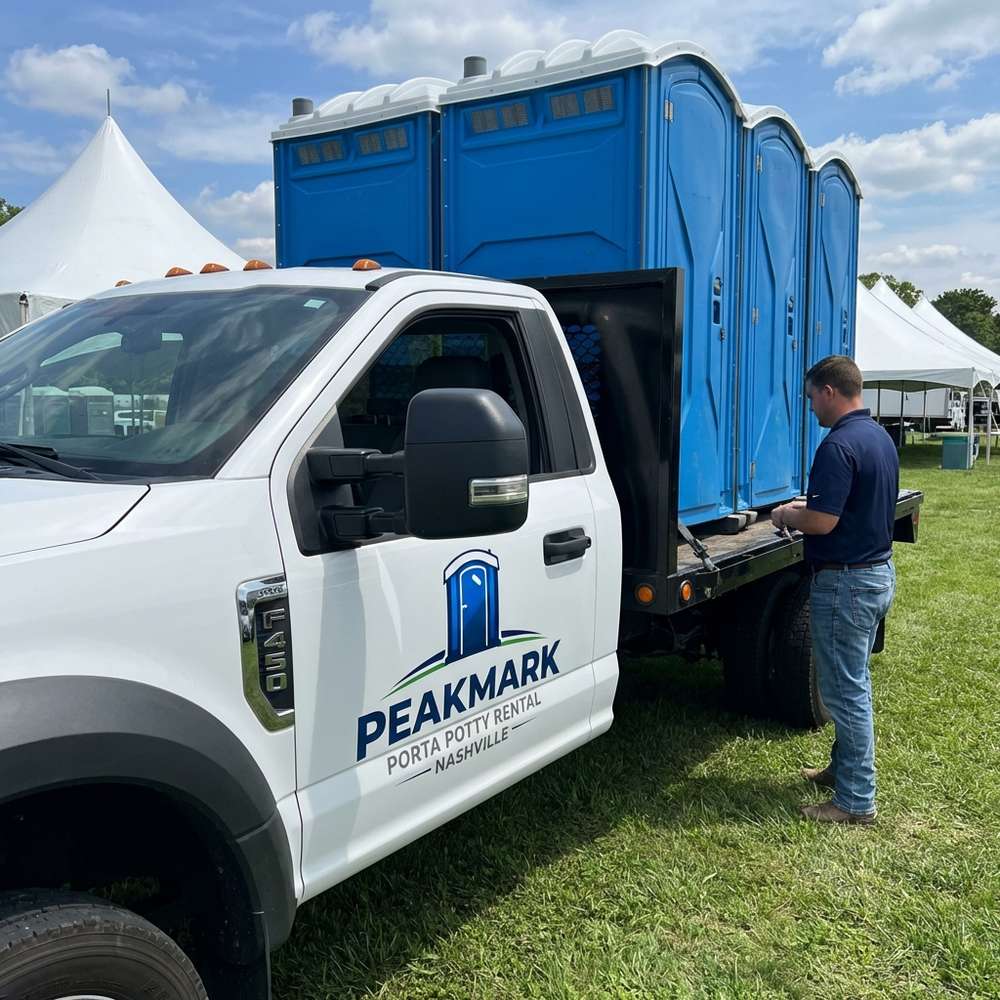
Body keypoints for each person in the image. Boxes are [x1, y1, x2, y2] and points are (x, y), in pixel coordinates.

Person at [771, 355, 899, 825]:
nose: (810, 409)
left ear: (829, 391)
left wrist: (787, 515)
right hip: (876, 574)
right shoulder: (879, 438)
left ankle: (855, 802)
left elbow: (823, 522)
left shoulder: (837, 445)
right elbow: (855, 504)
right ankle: (842, 770)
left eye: (810, 398)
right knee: (854, 682)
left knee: (845, 692)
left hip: (846, 581)